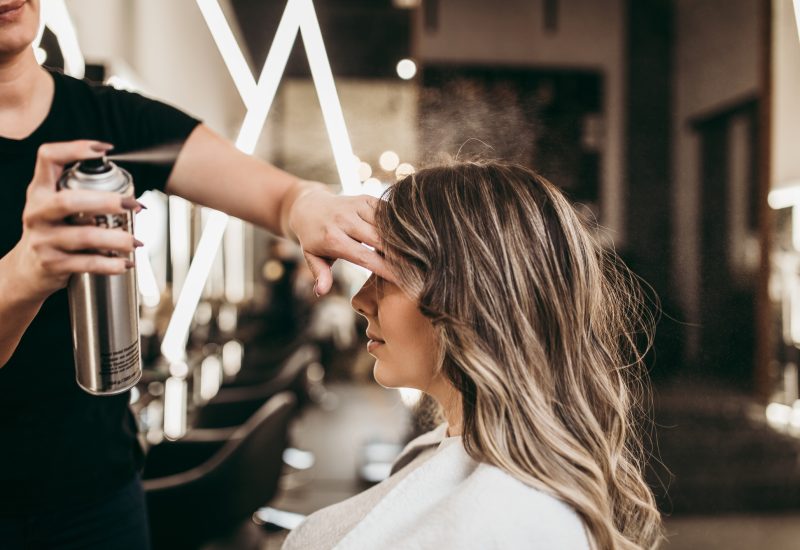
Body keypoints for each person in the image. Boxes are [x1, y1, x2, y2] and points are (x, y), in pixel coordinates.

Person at [0, 0, 388, 548]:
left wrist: (307, 205)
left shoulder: (115, 121)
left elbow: (279, 197)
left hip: (98, 497)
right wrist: (24, 272)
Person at [284, 161, 664, 549]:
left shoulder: (503, 525)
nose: (360, 300)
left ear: (472, 298)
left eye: (385, 272)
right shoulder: (471, 474)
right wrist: (298, 203)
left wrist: (295, 201)